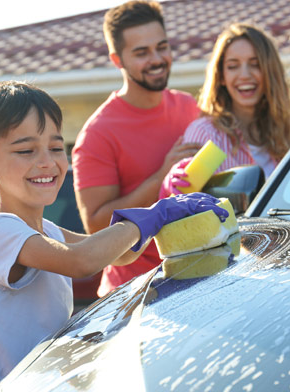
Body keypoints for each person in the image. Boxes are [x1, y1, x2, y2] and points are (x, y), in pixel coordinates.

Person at [0, 80, 228, 392]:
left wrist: (164, 217)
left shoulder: (47, 231)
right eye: (26, 150)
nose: (46, 162)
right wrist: (153, 215)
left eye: (55, 147)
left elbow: (121, 254)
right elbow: (82, 261)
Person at [72, 0, 200, 297]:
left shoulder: (189, 107)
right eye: (142, 52)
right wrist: (160, 178)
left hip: (195, 277)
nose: (157, 59)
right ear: (117, 60)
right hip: (132, 293)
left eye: (162, 47)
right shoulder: (97, 134)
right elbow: (97, 226)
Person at [159, 22, 290, 198]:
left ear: (270, 71)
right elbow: (182, 206)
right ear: (222, 76)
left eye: (255, 64)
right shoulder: (205, 134)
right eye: (233, 66)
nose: (245, 74)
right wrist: (171, 186)